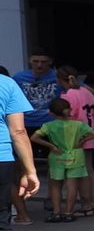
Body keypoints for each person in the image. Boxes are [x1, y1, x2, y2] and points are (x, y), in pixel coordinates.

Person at [0, 71, 41, 231]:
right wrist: (30, 171)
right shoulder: (6, 84)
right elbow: (18, 131)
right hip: (1, 159)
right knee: (1, 223)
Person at [31, 98, 94, 224]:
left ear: (51, 113)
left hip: (57, 156)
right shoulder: (78, 124)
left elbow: (34, 137)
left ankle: (56, 212)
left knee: (55, 185)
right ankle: (68, 212)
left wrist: (51, 146)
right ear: (69, 110)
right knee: (72, 185)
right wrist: (81, 141)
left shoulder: (49, 126)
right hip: (75, 155)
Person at [11, 50, 59, 221]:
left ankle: (52, 199)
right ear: (30, 61)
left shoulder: (57, 76)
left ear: (50, 62)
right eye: (36, 61)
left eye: (43, 61)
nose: (39, 65)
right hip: (25, 125)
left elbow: (85, 91)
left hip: (50, 125)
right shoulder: (19, 77)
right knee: (19, 164)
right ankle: (20, 197)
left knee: (54, 164)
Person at [57, 65, 94, 217]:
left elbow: (68, 117)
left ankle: (86, 204)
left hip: (77, 137)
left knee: (80, 172)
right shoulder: (88, 92)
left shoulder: (67, 95)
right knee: (90, 169)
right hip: (91, 132)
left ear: (59, 80)